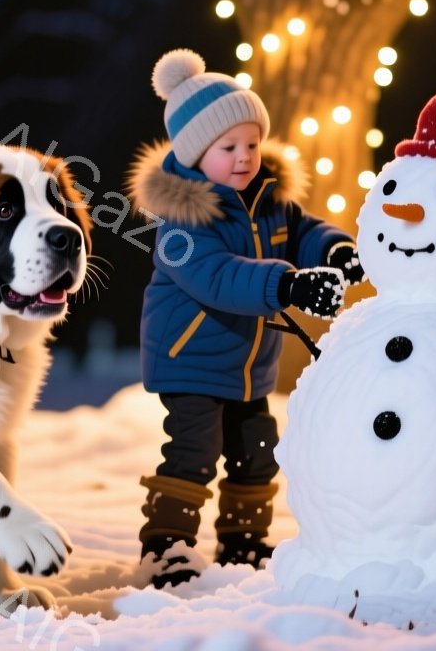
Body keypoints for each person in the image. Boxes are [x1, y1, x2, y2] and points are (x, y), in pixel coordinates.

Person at [127, 48, 360, 588]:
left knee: (256, 451)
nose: (244, 157)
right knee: (193, 451)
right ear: (193, 155)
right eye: (228, 147)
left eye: (252, 144)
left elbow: (306, 230)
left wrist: (335, 251)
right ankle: (166, 547)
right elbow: (217, 275)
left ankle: (244, 543)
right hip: (189, 359)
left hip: (246, 365)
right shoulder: (180, 224)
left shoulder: (269, 200)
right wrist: (288, 284)